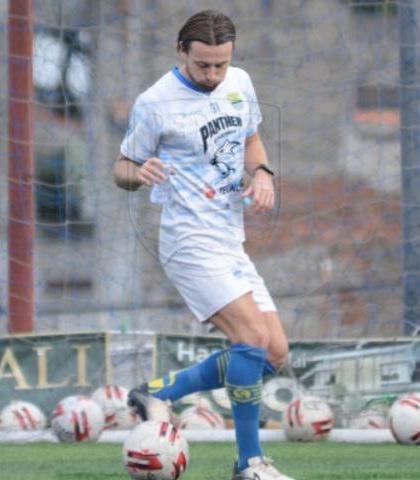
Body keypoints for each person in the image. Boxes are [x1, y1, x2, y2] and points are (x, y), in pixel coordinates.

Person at [113, 10, 292, 480]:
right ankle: (250, 464)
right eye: (203, 66)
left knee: (273, 353)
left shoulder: (240, 82)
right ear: (182, 53)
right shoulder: (155, 102)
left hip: (230, 240)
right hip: (188, 241)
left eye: (221, 65)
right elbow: (122, 168)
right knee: (250, 339)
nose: (213, 76)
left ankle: (158, 393)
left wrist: (264, 174)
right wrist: (139, 173)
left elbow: (251, 139)